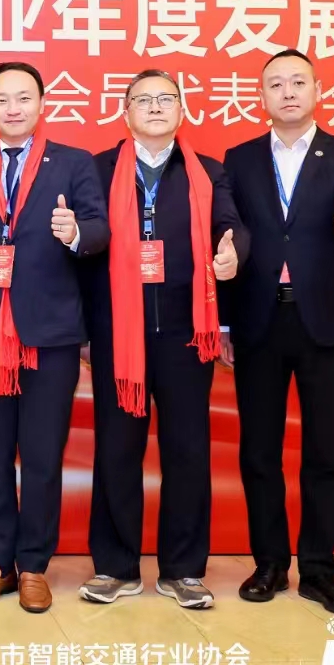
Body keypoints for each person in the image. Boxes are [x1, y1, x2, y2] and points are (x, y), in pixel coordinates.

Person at [0, 61, 109, 613]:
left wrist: (76, 232)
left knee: (41, 456)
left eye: (23, 97)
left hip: (49, 334)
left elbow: (100, 230)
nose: (13, 108)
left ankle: (33, 565)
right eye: (2, 99)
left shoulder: (74, 163)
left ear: (41, 103)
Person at [82, 70, 246, 610]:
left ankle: (183, 570)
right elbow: (80, 253)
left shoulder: (209, 172)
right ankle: (115, 566)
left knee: (187, 450)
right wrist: (83, 330)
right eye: (143, 100)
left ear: (182, 110)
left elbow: (231, 228)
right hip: (116, 331)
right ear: (125, 112)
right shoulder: (98, 170)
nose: (155, 107)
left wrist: (233, 253)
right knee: (116, 449)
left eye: (165, 99)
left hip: (185, 333)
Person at [221, 48, 334, 617]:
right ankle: (269, 564)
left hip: (325, 320)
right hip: (259, 318)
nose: (287, 92)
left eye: (297, 83)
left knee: (328, 449)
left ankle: (319, 569)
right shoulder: (239, 159)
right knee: (259, 449)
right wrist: (225, 319)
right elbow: (229, 235)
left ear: (317, 90)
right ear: (261, 95)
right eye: (276, 84)